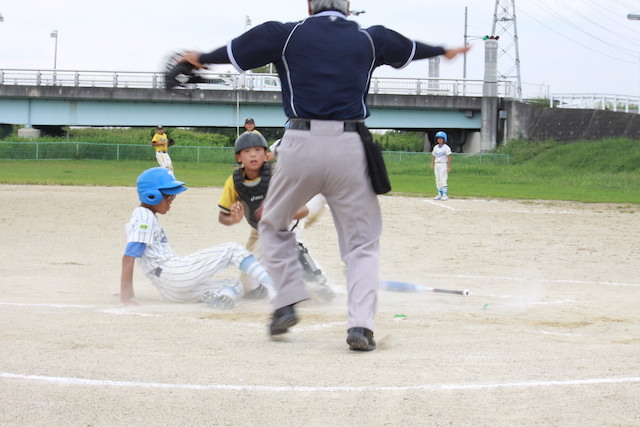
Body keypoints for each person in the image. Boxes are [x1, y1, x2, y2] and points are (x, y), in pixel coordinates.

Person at [175, 0, 470, 351]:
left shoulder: (286, 34)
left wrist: (201, 56)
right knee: (361, 243)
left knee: (271, 223)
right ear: (347, 7)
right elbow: (410, 48)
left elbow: (237, 52)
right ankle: (360, 326)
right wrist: (444, 50)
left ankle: (285, 300)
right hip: (350, 146)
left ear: (310, 5)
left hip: (299, 145)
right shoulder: (370, 38)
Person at [119, 167, 275, 309]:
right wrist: (125, 296)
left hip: (172, 291)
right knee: (232, 250)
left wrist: (128, 292)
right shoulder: (144, 218)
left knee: (235, 284)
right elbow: (129, 257)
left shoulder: (144, 215)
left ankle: (223, 298)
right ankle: (273, 285)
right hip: (174, 273)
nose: (171, 202)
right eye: (169, 197)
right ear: (151, 196)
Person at [217, 131, 335, 301]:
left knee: (285, 241)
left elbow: (302, 211)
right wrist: (233, 218)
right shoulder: (234, 181)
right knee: (248, 286)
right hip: (259, 229)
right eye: (247, 151)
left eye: (258, 150)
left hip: (287, 220)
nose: (253, 154)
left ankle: (317, 281)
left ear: (266, 155)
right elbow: (223, 216)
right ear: (238, 157)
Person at [430, 131, 452, 201]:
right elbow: (434, 156)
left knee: (443, 179)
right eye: (438, 139)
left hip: (443, 164)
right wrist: (432, 164)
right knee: (438, 179)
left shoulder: (446, 148)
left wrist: (448, 167)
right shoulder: (436, 147)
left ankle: (445, 194)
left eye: (441, 139)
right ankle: (439, 193)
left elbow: (449, 157)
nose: (439, 140)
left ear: (444, 139)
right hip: (437, 164)